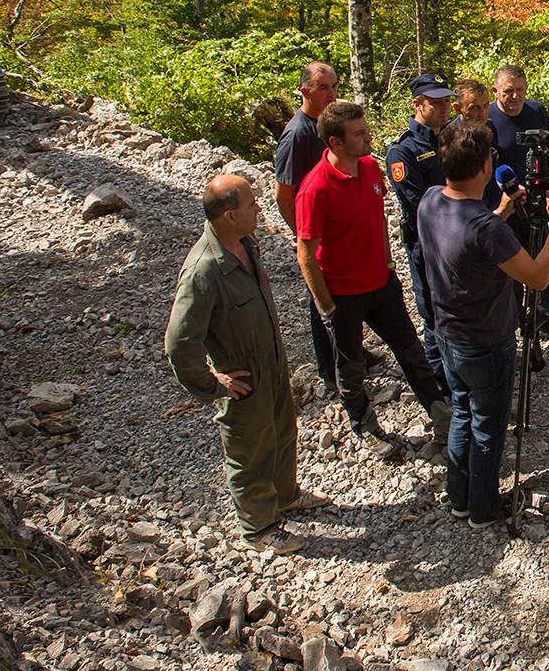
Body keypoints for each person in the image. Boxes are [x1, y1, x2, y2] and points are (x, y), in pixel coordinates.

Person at [416, 121, 549, 526]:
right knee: (488, 425)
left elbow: (469, 240)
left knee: (463, 412)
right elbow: (537, 277)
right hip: (486, 340)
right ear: (485, 167)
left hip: (447, 333)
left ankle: (460, 498)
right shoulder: (485, 229)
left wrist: (501, 212)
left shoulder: (430, 201)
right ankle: (483, 509)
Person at [164, 175, 323, 554]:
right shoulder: (203, 270)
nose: (259, 208)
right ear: (230, 216)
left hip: (272, 364)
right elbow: (179, 342)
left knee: (282, 432)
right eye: (252, 204)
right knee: (249, 451)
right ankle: (259, 528)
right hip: (243, 378)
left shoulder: (247, 243)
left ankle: (285, 496)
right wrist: (213, 384)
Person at [294, 101, 451, 460]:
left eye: (366, 130)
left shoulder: (368, 167)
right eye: (359, 134)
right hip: (343, 295)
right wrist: (326, 306)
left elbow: (379, 217)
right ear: (335, 142)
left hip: (382, 285)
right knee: (350, 368)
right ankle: (364, 426)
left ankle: (442, 418)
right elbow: (306, 255)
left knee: (412, 353)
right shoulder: (315, 189)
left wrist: (388, 263)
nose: (368, 138)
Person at [273, 61, 359, 394]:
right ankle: (329, 369)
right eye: (323, 88)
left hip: (340, 231)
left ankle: (353, 352)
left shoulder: (330, 125)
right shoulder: (298, 134)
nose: (332, 94)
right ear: (305, 91)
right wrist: (304, 236)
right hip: (317, 234)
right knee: (322, 300)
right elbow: (283, 194)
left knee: (349, 297)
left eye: (334, 86)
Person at [385, 72, 457, 409]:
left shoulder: (451, 138)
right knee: (433, 315)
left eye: (447, 102)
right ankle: (440, 392)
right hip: (427, 246)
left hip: (457, 243)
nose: (445, 108)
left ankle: (458, 376)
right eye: (436, 103)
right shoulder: (404, 151)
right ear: (418, 104)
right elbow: (418, 205)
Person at [488, 64, 549, 343]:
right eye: (508, 91)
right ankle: (515, 322)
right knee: (512, 266)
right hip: (507, 205)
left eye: (520, 90)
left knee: (545, 257)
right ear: (495, 90)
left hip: (539, 201)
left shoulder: (536, 111)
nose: (515, 97)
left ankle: (547, 317)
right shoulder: (487, 118)